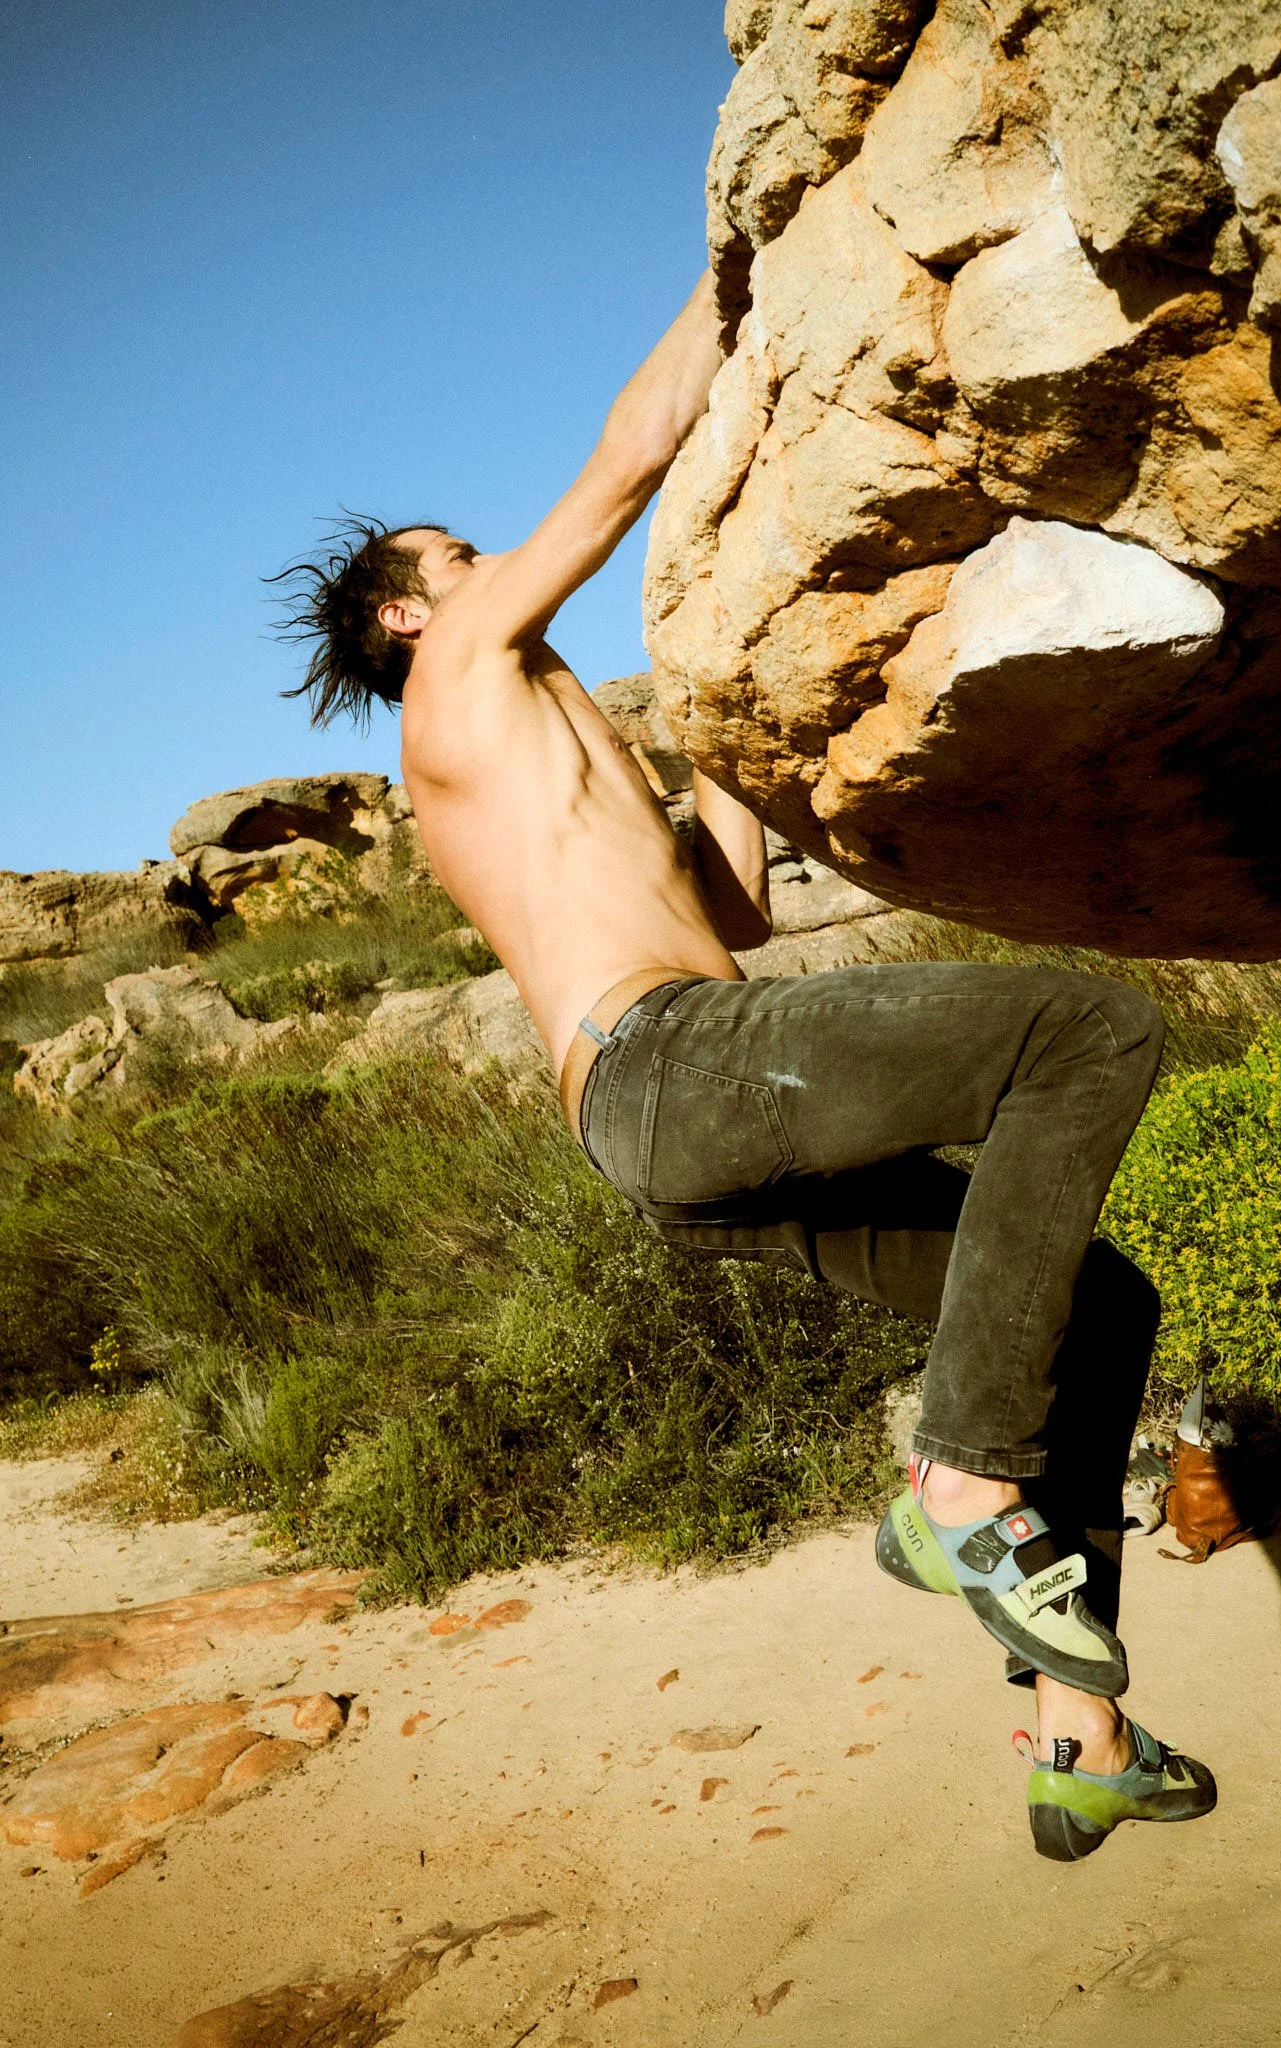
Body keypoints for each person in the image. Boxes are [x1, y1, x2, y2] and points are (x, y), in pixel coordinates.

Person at [276, 274, 1215, 1861]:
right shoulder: (457, 681)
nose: (490, 558)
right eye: (460, 555)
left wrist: (722, 730)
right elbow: (627, 459)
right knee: (1089, 1029)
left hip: (684, 1127)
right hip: (666, 1070)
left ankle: (1080, 1733)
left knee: (1097, 1304)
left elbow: (731, 912)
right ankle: (962, 1489)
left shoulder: (549, 737)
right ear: (408, 614)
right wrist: (733, 285)